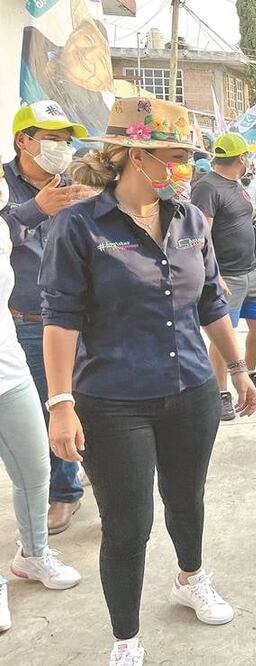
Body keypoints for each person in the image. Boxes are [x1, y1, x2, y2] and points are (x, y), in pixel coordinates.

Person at [41, 97, 256, 666]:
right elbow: (60, 317)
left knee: (187, 498)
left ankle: (190, 579)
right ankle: (126, 637)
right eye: (174, 156)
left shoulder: (188, 219)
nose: (183, 168)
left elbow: (211, 300)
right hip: (111, 399)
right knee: (128, 522)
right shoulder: (79, 226)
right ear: (135, 156)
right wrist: (60, 402)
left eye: (187, 157)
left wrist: (238, 370)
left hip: (189, 388)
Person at [3, 101, 97, 536]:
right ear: (23, 140)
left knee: (89, 401)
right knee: (52, 407)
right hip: (27, 320)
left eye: (65, 139)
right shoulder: (4, 183)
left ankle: (88, 468)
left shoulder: (76, 180)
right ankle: (64, 493)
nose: (61, 147)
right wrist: (36, 209)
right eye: (51, 138)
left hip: (79, 316)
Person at [0, 187, 83, 636]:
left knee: (34, 472)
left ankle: (33, 554)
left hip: (9, 370)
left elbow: (19, 222)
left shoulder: (1, 227)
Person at [191, 132, 256, 419]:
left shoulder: (235, 185)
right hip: (227, 274)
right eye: (247, 156)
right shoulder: (206, 187)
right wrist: (214, 274)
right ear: (241, 158)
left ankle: (248, 373)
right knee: (222, 335)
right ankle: (221, 391)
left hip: (250, 271)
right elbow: (202, 234)